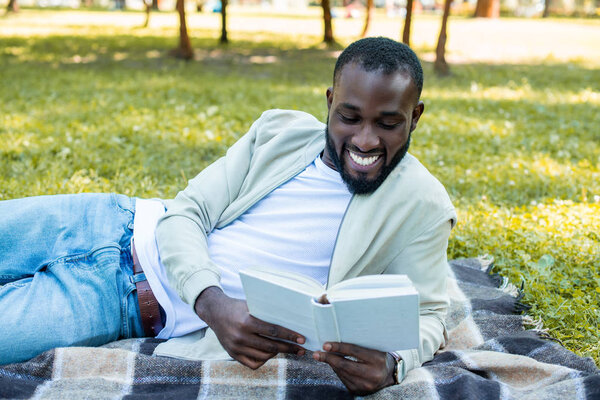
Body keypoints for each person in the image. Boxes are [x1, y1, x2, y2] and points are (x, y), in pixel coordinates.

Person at [0, 37, 456, 396]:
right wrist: (212, 304)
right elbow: (187, 212)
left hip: (115, 301)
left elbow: (433, 312)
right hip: (106, 219)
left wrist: (395, 364)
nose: (365, 140)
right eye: (349, 117)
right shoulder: (278, 132)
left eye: (388, 123)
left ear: (415, 117)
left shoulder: (421, 204)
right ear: (329, 101)